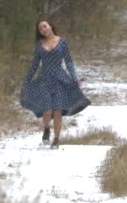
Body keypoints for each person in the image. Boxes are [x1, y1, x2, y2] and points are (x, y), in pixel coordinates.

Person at [20, 19, 91, 149]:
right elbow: (35, 64)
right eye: (40, 29)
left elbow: (68, 61)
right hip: (44, 79)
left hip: (60, 79)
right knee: (47, 109)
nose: (43, 30)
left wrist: (75, 78)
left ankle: (56, 139)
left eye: (45, 26)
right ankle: (46, 128)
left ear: (51, 26)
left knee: (57, 110)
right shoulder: (39, 44)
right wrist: (27, 81)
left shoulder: (62, 41)